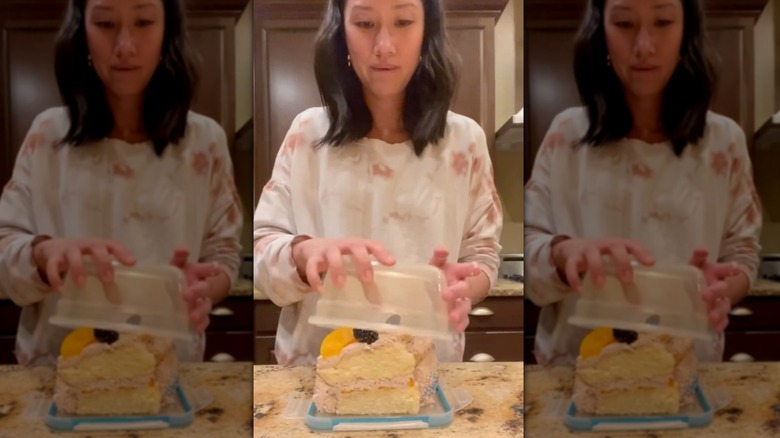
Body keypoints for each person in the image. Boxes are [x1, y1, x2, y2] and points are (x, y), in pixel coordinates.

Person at [254, 0, 502, 366]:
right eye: (366, 23)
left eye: (403, 21)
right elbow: (262, 257)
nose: (384, 45)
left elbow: (483, 255)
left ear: (426, 33)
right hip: (316, 371)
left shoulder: (465, 141)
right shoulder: (306, 134)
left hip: (424, 368)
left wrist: (464, 287)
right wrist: (305, 253)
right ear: (342, 35)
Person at [0, 0, 242, 366]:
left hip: (165, 366)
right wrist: (43, 253)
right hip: (57, 367)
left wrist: (205, 286)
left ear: (168, 33)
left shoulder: (204, 142)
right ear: (82, 32)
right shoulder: (46, 136)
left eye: (143, 22)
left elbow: (224, 256)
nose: (125, 45)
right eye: (106, 23)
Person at [525, 0, 762, 367]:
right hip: (575, 368)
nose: (644, 46)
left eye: (663, 22)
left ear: (687, 34)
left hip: (684, 366)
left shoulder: (723, 142)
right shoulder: (566, 136)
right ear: (601, 33)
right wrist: (562, 253)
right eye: (624, 24)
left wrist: (724, 288)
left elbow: (743, 255)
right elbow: (529, 258)